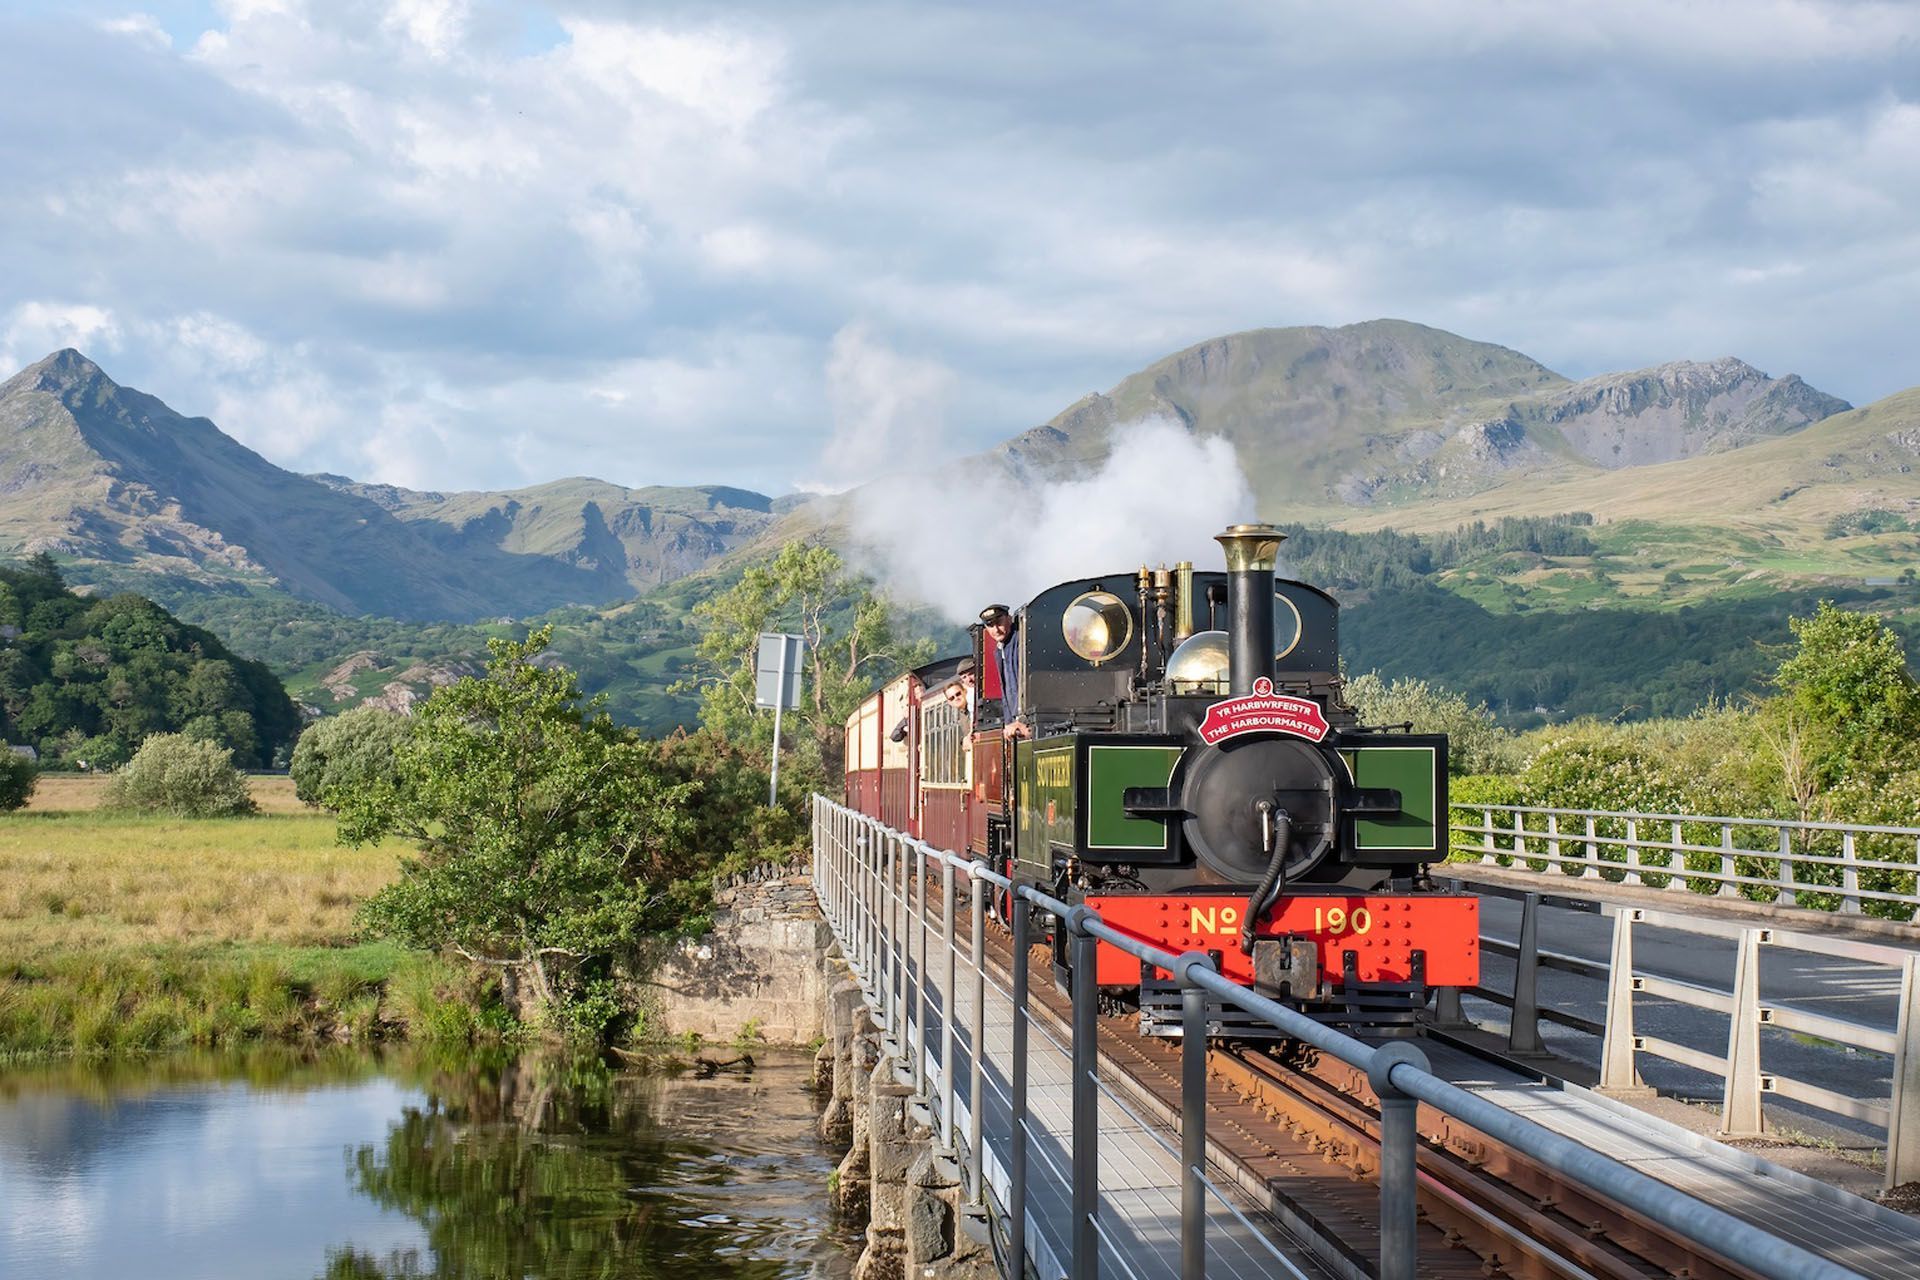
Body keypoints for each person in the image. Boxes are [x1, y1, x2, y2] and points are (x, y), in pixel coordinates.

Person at [980, 604, 1030, 740]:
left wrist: (1024, 720)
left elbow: (1026, 685)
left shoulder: (1020, 641)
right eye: (990, 625)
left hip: (1026, 724)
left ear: (1008, 619)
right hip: (1015, 726)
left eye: (999, 623)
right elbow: (1007, 691)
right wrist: (1009, 722)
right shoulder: (1000, 650)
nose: (996, 629)